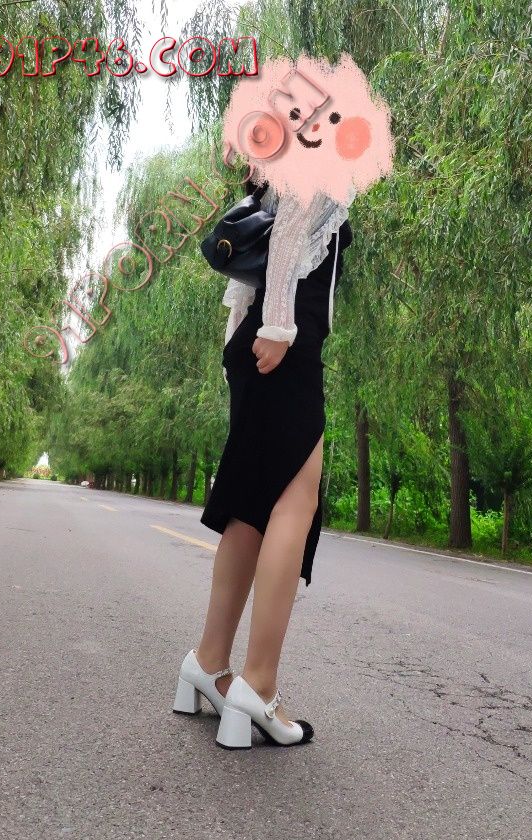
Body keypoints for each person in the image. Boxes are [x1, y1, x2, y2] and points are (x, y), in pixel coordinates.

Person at [173, 171, 354, 749]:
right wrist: (278, 327)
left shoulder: (270, 166)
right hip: (284, 342)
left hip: (258, 344)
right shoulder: (319, 147)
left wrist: (241, 347)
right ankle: (259, 684)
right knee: (296, 500)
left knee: (251, 506)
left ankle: (208, 662)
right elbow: (292, 227)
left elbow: (252, 260)